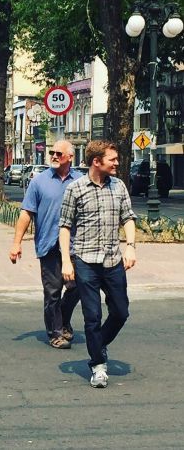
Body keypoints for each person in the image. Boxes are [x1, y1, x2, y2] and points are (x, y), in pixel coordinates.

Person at [59, 140, 137, 388]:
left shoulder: (119, 186)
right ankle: (98, 365)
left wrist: (130, 246)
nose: (117, 163)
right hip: (86, 262)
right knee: (92, 316)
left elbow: (128, 218)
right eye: (112, 159)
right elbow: (65, 227)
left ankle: (98, 343)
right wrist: (66, 261)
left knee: (121, 312)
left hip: (113, 261)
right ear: (96, 161)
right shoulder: (75, 189)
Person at [9, 140, 82, 349]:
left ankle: (63, 318)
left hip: (76, 245)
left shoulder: (80, 181)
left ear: (70, 157)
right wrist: (16, 243)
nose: (54, 156)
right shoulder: (39, 182)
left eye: (59, 153)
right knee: (52, 292)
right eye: (52, 152)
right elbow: (26, 213)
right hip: (48, 244)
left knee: (79, 286)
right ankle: (55, 333)